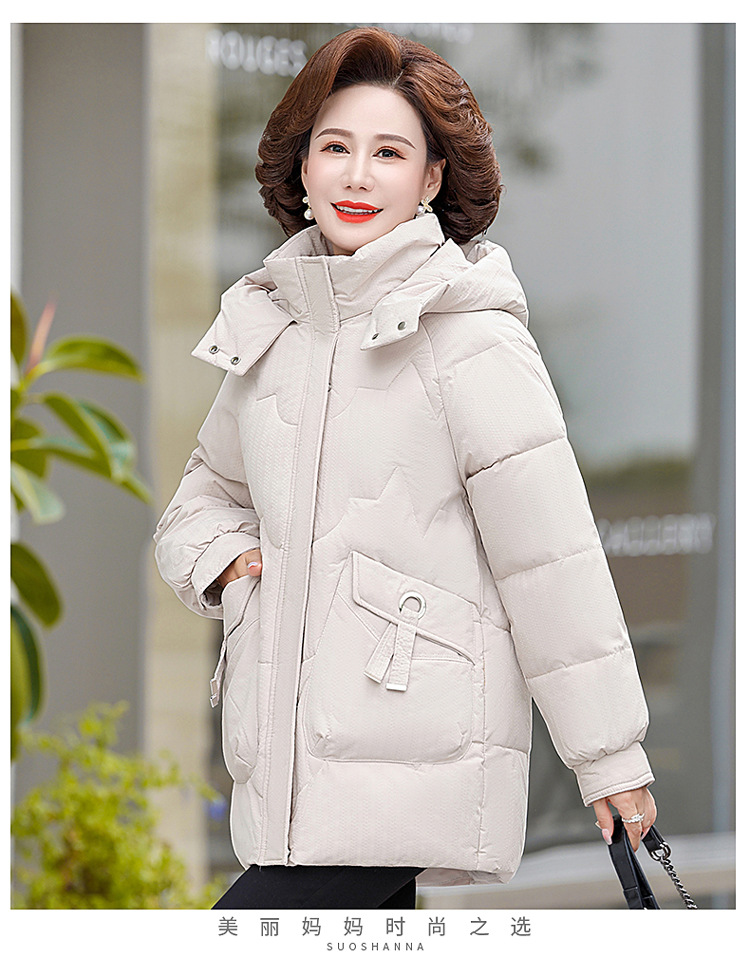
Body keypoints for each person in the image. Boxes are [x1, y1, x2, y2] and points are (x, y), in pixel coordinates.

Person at [153, 27, 656, 910]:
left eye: (388, 153)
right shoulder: (274, 333)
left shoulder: (471, 339)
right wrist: (231, 563)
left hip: (418, 753)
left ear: (430, 179)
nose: (356, 176)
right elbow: (200, 500)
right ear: (301, 166)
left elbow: (550, 561)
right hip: (286, 768)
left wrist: (609, 756)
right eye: (335, 148)